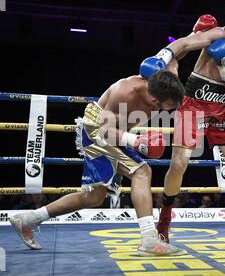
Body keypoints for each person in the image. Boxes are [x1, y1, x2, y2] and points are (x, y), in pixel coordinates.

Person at [10, 62, 187, 256]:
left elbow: (179, 50)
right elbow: (104, 130)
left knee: (94, 197)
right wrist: (136, 140)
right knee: (141, 171)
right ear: (155, 98)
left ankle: (28, 219)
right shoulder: (125, 91)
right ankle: (149, 240)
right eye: (169, 106)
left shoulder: (164, 82)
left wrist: (183, 47)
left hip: (115, 133)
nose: (169, 111)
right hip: (98, 130)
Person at [141, 0, 225, 251]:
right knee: (179, 163)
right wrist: (163, 56)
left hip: (223, 111)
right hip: (193, 106)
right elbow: (186, 42)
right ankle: (163, 223)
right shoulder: (218, 35)